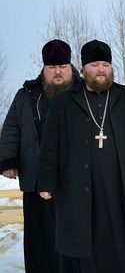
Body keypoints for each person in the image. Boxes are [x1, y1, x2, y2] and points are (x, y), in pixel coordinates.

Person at [38, 39, 125, 273]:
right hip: (79, 187)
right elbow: (49, 146)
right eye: (95, 64)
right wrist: (46, 181)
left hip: (122, 185)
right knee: (86, 242)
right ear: (83, 69)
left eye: (105, 64)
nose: (101, 70)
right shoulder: (62, 102)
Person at [0, 39, 80, 273]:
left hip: (75, 179)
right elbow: (12, 127)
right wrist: (8, 160)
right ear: (44, 69)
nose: (57, 72)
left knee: (75, 234)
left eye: (62, 67)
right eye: (52, 68)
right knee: (41, 237)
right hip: (36, 177)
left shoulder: (84, 92)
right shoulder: (27, 94)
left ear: (70, 66)